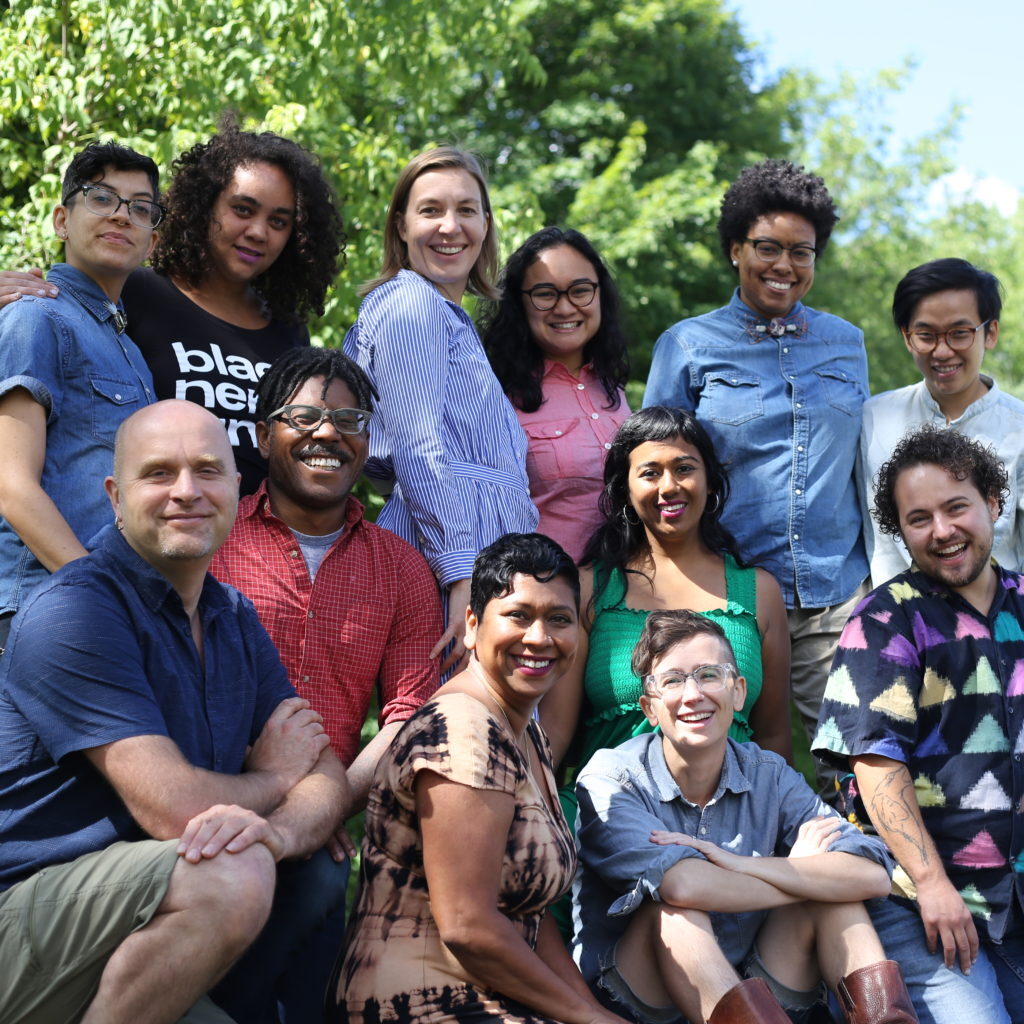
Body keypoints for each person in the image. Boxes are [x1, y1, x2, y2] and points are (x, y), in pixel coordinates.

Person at [0, 400, 351, 1024]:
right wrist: (272, 783)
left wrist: (283, 831)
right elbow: (172, 810)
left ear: (237, 487)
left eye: (207, 470)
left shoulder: (233, 617)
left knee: (312, 867)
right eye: (159, 473)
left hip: (157, 924)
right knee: (233, 872)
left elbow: (322, 773)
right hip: (31, 917)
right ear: (115, 494)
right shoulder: (73, 612)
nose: (186, 492)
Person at [335, 533, 627, 1024]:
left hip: (494, 993)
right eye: (518, 615)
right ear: (471, 625)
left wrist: (591, 1011)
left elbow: (529, 916)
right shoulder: (465, 732)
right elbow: (467, 925)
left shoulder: (527, 736)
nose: (539, 637)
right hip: (422, 1004)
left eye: (559, 619)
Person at [644, 159, 868, 791]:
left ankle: (856, 884)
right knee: (728, 759)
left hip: (834, 591)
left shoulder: (847, 343)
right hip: (728, 590)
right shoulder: (688, 345)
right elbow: (656, 470)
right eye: (767, 247)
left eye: (803, 252)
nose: (784, 266)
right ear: (735, 248)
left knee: (850, 766)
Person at [574, 611, 914, 1024]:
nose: (692, 694)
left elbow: (872, 873)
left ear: (737, 692)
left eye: (708, 675)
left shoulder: (768, 773)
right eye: (673, 681)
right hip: (645, 999)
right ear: (649, 707)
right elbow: (681, 885)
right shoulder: (613, 777)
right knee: (675, 914)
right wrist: (799, 875)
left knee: (837, 904)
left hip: (759, 989)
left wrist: (749, 867)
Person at [0, 118, 345, 494]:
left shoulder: (289, 329)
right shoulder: (133, 292)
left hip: (261, 546)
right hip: (155, 536)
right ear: (202, 207)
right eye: (243, 210)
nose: (259, 231)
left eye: (278, 221)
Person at [813, 425, 1024, 1024]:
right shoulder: (885, 619)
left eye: (957, 507)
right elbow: (874, 765)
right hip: (921, 901)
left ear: (992, 502)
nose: (942, 531)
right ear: (901, 531)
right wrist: (932, 884)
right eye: (919, 518)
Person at [211, 345, 441, 798]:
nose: (328, 432)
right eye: (302, 417)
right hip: (207, 803)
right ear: (263, 437)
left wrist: (327, 806)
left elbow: (409, 715)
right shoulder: (211, 542)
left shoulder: (402, 568)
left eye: (350, 421)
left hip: (327, 824)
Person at [344, 146, 537, 671]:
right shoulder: (410, 305)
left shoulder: (452, 320)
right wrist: (457, 575)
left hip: (489, 554)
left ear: (487, 224)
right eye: (430, 210)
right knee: (450, 733)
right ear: (401, 226)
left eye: (466, 210)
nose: (450, 227)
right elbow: (417, 447)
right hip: (448, 560)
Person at [543, 406, 791, 812]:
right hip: (608, 817)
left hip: (734, 824)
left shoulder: (759, 592)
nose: (669, 486)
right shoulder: (590, 588)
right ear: (624, 489)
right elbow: (553, 733)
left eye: (684, 468)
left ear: (710, 481)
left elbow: (776, 738)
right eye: (650, 473)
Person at [0, 141, 160, 642]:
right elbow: (10, 484)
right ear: (61, 220)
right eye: (101, 198)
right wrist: (98, 593)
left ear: (152, 242)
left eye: (140, 208)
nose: (121, 216)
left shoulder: (131, 352)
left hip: (105, 614)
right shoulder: (35, 315)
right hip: (43, 610)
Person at [859, 258, 1024, 586]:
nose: (942, 350)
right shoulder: (874, 418)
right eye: (926, 335)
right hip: (899, 623)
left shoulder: (1019, 427)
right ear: (908, 338)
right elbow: (879, 543)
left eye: (959, 334)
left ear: (989, 333)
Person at [480, 226, 631, 561]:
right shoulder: (495, 396)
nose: (565, 308)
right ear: (519, 304)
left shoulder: (613, 389)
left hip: (624, 594)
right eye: (546, 294)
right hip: (547, 595)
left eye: (580, 290)